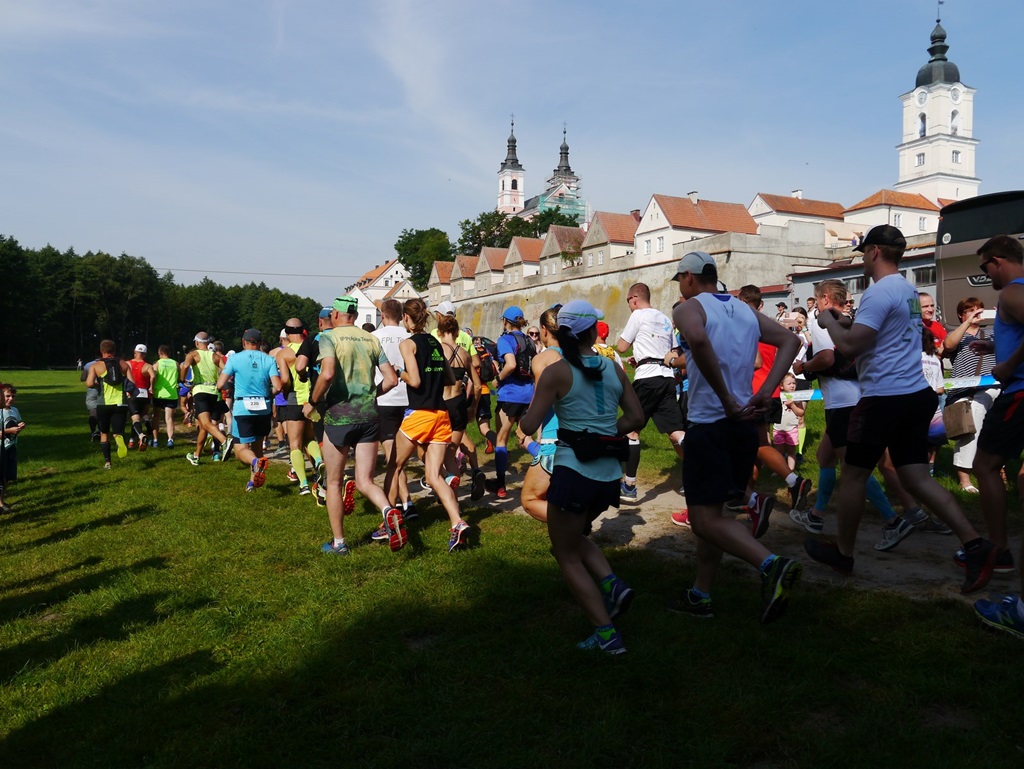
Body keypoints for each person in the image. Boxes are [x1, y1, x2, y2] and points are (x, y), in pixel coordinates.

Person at [806, 225, 996, 594]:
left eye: (863, 252)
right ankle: (976, 545)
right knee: (916, 477)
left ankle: (843, 553)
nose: (862, 259)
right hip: (914, 394)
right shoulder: (908, 290)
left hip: (883, 399)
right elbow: (888, 334)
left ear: (875, 251)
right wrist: (848, 323)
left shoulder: (879, 293)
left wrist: (828, 319)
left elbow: (849, 347)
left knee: (854, 475)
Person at [670, 252, 802, 624]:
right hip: (743, 425)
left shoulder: (688, 308)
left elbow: (696, 339)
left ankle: (771, 565)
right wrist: (766, 391)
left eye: (681, 279)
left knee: (702, 520)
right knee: (714, 515)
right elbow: (790, 342)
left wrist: (726, 398)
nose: (681, 286)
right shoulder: (745, 310)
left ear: (691, 278)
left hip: (712, 423)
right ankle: (701, 594)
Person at [520, 300, 644, 654]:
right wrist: (606, 431)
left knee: (565, 552)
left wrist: (530, 425)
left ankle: (606, 634)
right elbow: (636, 418)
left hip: (575, 471)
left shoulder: (558, 371)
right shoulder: (613, 368)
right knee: (572, 537)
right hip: (608, 476)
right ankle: (612, 586)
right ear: (592, 332)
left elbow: (530, 424)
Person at [792, 279, 938, 550]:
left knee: (854, 468)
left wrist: (802, 367)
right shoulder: (852, 321)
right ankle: (817, 515)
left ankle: (894, 520)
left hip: (842, 403)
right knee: (826, 456)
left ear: (824, 299)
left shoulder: (824, 321)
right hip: (859, 396)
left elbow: (825, 358)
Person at [308, 295, 402, 555]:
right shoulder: (372, 338)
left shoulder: (329, 337)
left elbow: (327, 373)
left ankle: (339, 543)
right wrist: (372, 394)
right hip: (370, 416)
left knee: (335, 482)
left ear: (336, 316)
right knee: (365, 480)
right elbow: (392, 380)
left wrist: (313, 401)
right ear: (356, 317)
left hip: (339, 416)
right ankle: (388, 511)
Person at [383, 298, 472, 552]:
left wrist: (398, 371)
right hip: (441, 415)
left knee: (394, 466)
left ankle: (390, 523)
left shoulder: (407, 344)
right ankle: (457, 523)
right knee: (434, 476)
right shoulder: (435, 342)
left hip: (419, 414)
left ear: (406, 319)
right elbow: (451, 376)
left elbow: (415, 381)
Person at [969, 235, 1024, 638]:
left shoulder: (1011, 294)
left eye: (985, 267)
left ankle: (999, 549)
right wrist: (997, 343)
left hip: (1019, 392)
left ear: (999, 261)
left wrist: (1007, 366)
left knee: (984, 464)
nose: (984, 274)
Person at [616, 283, 686, 503]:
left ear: (634, 298)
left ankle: (629, 485)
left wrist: (636, 351)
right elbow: (674, 350)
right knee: (677, 433)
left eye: (628, 302)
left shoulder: (638, 315)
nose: (629, 306)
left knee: (632, 430)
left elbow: (621, 346)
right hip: (666, 378)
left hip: (647, 378)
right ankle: (700, 475)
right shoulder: (665, 318)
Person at [215, 329, 286, 492]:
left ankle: (255, 463)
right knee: (257, 448)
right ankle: (252, 483)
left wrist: (228, 386)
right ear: (260, 343)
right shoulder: (269, 360)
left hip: (242, 408)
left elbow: (220, 384)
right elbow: (278, 386)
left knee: (240, 450)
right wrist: (268, 393)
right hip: (263, 408)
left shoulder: (234, 359)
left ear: (243, 342)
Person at [942, 297, 998, 493]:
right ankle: (964, 478)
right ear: (961, 314)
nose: (977, 313)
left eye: (980, 310)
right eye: (971, 310)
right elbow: (948, 346)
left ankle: (996, 472)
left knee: (995, 429)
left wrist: (1002, 318)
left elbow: (1011, 343)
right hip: (963, 391)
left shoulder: (992, 332)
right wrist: (967, 323)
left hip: (994, 387)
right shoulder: (958, 334)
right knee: (970, 427)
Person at [432, 301, 485, 499]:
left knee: (438, 451)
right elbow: (478, 385)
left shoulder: (437, 351)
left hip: (441, 406)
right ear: (456, 332)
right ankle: (451, 490)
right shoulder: (464, 354)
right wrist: (473, 407)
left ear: (440, 331)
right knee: (452, 450)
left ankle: (444, 488)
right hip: (459, 404)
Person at [372, 299, 416, 518]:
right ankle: (406, 502)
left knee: (392, 457)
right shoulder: (409, 337)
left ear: (382, 315)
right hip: (408, 399)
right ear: (402, 315)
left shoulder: (375, 338)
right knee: (399, 457)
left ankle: (405, 502)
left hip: (385, 399)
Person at [518, 308, 563, 522]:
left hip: (554, 437)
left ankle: (572, 524)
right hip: (582, 434)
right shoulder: (581, 356)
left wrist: (524, 427)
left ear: (544, 331)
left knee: (530, 499)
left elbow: (539, 400)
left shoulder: (542, 359)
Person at [274, 318, 323, 497]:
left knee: (294, 444)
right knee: (310, 438)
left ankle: (303, 483)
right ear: (303, 330)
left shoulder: (284, 353)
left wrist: (284, 391)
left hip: (294, 399)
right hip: (312, 398)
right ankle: (318, 461)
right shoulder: (312, 347)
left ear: (286, 333)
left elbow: (285, 380)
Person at [493, 305, 535, 500]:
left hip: (510, 394)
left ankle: (500, 484)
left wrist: (498, 379)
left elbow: (510, 364)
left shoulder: (505, 340)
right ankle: (547, 465)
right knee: (525, 437)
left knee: (501, 439)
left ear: (505, 321)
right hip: (529, 394)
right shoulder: (530, 341)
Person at [180, 332, 232, 466]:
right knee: (204, 427)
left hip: (200, 391)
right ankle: (196, 455)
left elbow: (185, 366)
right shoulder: (215, 356)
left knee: (206, 423)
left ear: (197, 343)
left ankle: (224, 441)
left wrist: (182, 380)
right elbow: (226, 371)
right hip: (215, 392)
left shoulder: (193, 354)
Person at [85, 339, 136, 470]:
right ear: (114, 351)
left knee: (104, 433)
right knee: (118, 431)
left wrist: (97, 382)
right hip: (120, 403)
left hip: (103, 404)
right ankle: (119, 439)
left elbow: (89, 383)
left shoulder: (96, 366)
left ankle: (108, 462)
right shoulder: (123, 364)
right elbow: (131, 383)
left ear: (101, 351)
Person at [921, 328, 945, 476]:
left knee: (915, 443)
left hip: (914, 406)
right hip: (933, 407)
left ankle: (917, 473)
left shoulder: (909, 357)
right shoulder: (935, 360)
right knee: (932, 443)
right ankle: (929, 471)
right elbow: (940, 389)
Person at [1, 383, 25, 513]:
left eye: (13, 396)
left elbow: (16, 424)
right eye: (7, 396)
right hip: (1, 448)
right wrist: (10, 430)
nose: (11, 399)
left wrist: (20, 427)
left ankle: (2, 500)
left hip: (11, 447)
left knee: (7, 477)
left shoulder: (14, 410)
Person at [126, 344, 156, 450]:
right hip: (145, 394)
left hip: (132, 393)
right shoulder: (147, 366)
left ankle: (139, 437)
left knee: (135, 418)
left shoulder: (127, 364)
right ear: (145, 354)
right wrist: (151, 386)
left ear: (135, 352)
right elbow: (153, 376)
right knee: (141, 415)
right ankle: (132, 440)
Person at [773, 374, 803, 471]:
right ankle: (778, 469)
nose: (792, 385)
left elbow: (801, 413)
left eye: (794, 383)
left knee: (791, 451)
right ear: (781, 386)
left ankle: (790, 470)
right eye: (789, 383)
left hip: (792, 429)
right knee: (778, 451)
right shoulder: (777, 397)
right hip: (778, 428)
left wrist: (793, 405)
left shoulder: (797, 397)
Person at [152, 346, 180, 448]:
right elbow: (180, 377)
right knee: (169, 418)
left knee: (156, 417)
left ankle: (155, 440)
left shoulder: (157, 364)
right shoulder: (176, 364)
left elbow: (153, 376)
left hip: (159, 394)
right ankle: (170, 440)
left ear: (160, 353)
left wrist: (151, 387)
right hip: (172, 394)